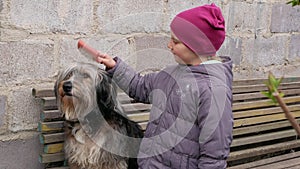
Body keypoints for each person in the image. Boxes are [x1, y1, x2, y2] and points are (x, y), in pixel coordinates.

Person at [95, 3, 233, 169]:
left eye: (176, 42)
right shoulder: (169, 75)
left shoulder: (213, 90)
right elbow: (140, 87)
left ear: (197, 47)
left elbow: (214, 154)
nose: (169, 45)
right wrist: (115, 67)